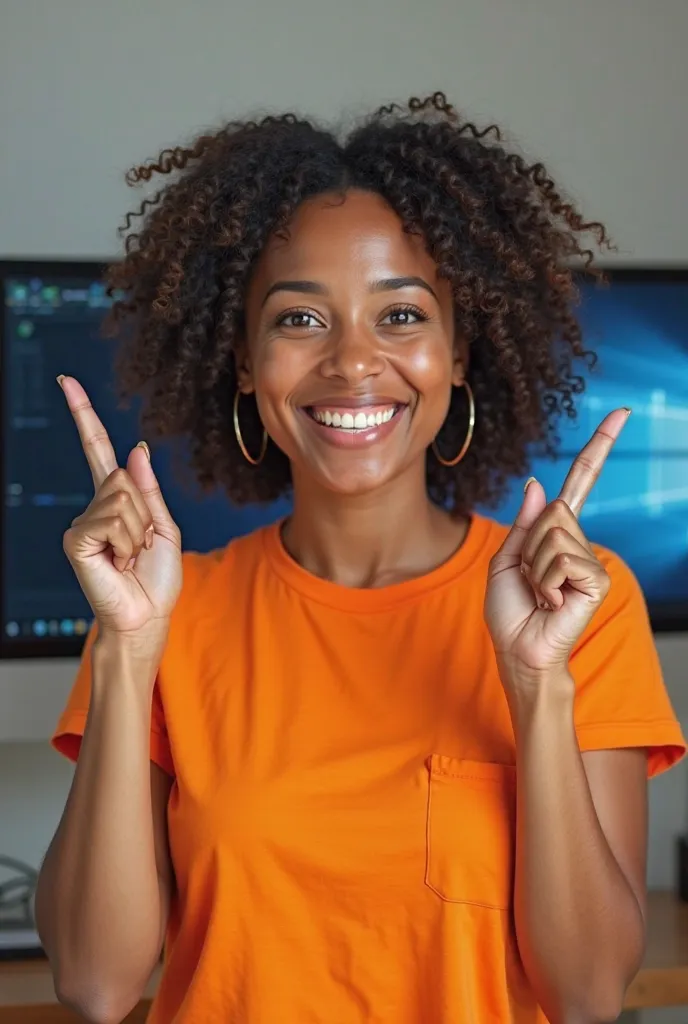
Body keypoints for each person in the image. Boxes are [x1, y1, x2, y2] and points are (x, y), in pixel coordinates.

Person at [36, 92, 685, 1024]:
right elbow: (97, 987)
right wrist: (129, 651)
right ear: (246, 363)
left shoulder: (580, 607)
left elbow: (586, 994)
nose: (351, 363)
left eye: (401, 316)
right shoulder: (163, 615)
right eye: (300, 320)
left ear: (460, 351)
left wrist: (536, 683)